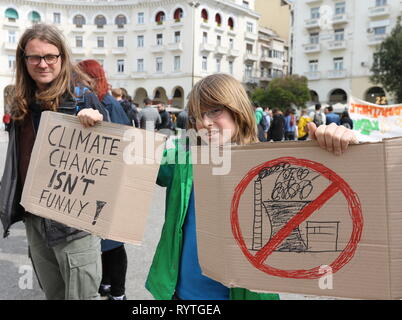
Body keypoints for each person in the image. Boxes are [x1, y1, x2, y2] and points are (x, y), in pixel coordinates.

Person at [145, 73, 358, 301]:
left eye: (215, 110)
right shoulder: (183, 158)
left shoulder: (269, 166)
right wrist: (101, 126)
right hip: (180, 295)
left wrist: (343, 143)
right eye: (198, 115)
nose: (204, 123)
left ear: (237, 110)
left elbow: (340, 186)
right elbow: (135, 162)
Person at [0, 23, 108, 300]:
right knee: (54, 295)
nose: (43, 63)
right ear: (24, 61)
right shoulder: (21, 101)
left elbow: (115, 151)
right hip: (35, 218)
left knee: (84, 297)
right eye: (34, 57)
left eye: (50, 56)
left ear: (62, 58)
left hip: (74, 224)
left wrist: (97, 122)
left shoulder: (82, 97)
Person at [77, 59, 129, 301]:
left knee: (112, 242)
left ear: (91, 78)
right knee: (103, 241)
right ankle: (107, 284)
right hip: (102, 180)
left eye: (81, 78)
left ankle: (117, 292)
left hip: (108, 182)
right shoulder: (100, 100)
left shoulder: (105, 103)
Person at [77, 60, 130, 126]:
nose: (78, 83)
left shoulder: (110, 104)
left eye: (80, 78)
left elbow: (118, 132)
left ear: (93, 78)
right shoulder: (83, 99)